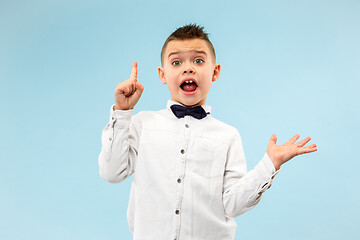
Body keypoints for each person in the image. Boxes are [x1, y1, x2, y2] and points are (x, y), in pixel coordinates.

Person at [98, 24, 317, 240]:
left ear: (215, 72)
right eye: (176, 62)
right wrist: (122, 112)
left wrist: (269, 164)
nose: (188, 68)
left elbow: (232, 205)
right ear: (162, 75)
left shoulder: (228, 136)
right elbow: (112, 172)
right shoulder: (142, 124)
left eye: (198, 60)